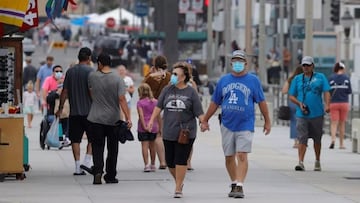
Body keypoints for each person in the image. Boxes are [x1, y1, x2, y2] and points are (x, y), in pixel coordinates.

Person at [200, 50, 271, 199]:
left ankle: (240, 185)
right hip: (227, 123)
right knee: (229, 157)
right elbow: (215, 102)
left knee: (242, 154)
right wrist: (205, 119)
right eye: (235, 61)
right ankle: (234, 181)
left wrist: (267, 120)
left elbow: (261, 101)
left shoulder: (253, 80)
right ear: (231, 63)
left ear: (246, 63)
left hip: (245, 123)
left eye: (240, 61)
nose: (237, 63)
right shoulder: (224, 80)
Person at [147, 61, 205, 198]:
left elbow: (199, 111)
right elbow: (158, 106)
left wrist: (203, 122)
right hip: (168, 131)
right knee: (170, 162)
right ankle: (178, 181)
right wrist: (151, 121)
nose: (172, 76)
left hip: (186, 132)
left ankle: (178, 187)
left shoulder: (191, 92)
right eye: (172, 73)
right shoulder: (167, 89)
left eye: (175, 74)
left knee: (180, 159)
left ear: (183, 77)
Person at [87, 53, 132, 184]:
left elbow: (91, 93)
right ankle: (110, 175)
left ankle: (98, 171)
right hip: (113, 119)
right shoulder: (118, 78)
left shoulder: (92, 76)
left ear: (99, 64)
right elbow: (122, 99)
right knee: (113, 148)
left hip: (95, 118)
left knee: (97, 146)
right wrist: (128, 117)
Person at [288, 56, 330, 172]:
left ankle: (317, 160)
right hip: (302, 114)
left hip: (317, 113)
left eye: (308, 65)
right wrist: (299, 103)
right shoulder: (297, 79)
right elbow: (291, 95)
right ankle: (300, 162)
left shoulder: (320, 77)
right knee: (302, 138)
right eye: (304, 65)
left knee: (317, 138)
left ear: (313, 66)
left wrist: (327, 104)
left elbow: (326, 91)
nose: (306, 67)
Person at [56, 47, 94, 176]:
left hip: (74, 112)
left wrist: (60, 108)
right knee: (93, 138)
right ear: (89, 58)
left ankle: (78, 167)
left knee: (75, 140)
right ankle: (87, 162)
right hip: (90, 112)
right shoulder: (91, 71)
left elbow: (64, 91)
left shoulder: (70, 72)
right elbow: (91, 91)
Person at [143, 55, 170, 169]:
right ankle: (169, 159)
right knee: (168, 135)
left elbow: (143, 87)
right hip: (167, 106)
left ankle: (162, 162)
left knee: (158, 135)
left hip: (154, 107)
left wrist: (149, 74)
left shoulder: (150, 77)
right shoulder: (169, 76)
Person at [328, 62, 352, 149]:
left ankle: (333, 140)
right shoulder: (346, 78)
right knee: (342, 124)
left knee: (334, 123)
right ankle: (341, 144)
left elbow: (327, 92)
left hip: (333, 103)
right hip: (344, 103)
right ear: (342, 69)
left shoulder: (331, 78)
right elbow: (349, 91)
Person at [137, 83, 160, 172]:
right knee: (152, 146)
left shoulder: (140, 103)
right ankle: (153, 164)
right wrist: (160, 127)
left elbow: (141, 116)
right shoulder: (155, 102)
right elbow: (158, 116)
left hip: (143, 127)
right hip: (154, 126)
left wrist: (144, 126)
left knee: (144, 146)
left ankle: (146, 165)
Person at [282, 66, 303, 148]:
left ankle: (295, 141)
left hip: (292, 102)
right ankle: (301, 140)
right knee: (303, 121)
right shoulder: (304, 79)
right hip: (302, 102)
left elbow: (284, 91)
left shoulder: (291, 79)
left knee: (294, 122)